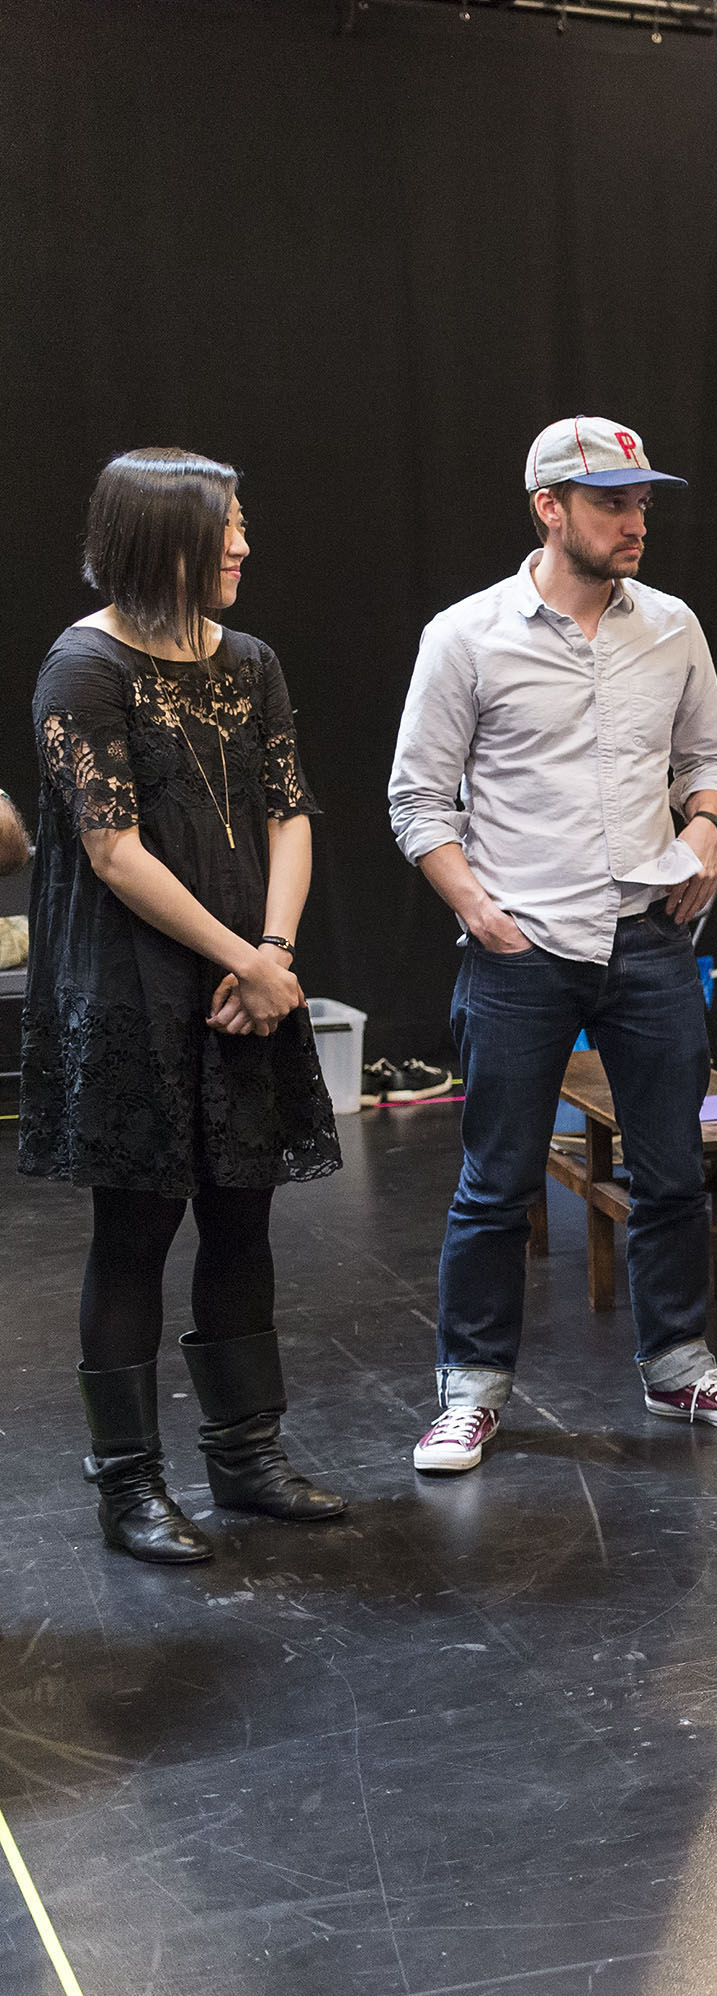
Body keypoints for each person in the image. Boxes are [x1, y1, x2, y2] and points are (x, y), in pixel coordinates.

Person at [387, 418, 717, 1475]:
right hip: (521, 948)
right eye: (612, 503)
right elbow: (417, 801)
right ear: (550, 508)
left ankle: (679, 1358)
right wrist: (480, 911)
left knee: (673, 1171)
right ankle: (473, 1388)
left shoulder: (672, 626)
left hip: (649, 940)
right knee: (495, 1184)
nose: (637, 522)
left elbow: (708, 758)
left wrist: (706, 828)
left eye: (642, 502)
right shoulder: (466, 635)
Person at [23, 448, 346, 1563]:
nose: (245, 545)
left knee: (244, 1215)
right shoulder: (84, 667)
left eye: (243, 523)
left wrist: (274, 949)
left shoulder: (250, 661)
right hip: (135, 989)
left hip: (243, 977)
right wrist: (243, 960)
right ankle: (127, 1484)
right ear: (160, 538)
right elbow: (112, 851)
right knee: (136, 1231)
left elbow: (289, 809)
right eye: (226, 527)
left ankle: (246, 1456)